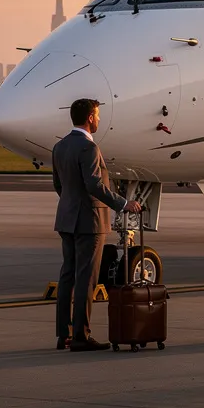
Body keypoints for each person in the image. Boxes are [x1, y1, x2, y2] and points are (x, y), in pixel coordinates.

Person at [53, 98, 142, 351]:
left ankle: (64, 334)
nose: (100, 119)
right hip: (89, 221)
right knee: (86, 279)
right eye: (98, 115)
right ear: (90, 118)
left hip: (67, 218)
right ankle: (81, 336)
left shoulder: (59, 147)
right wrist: (123, 203)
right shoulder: (89, 148)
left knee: (67, 276)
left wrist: (73, 205)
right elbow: (94, 185)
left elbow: (58, 185)